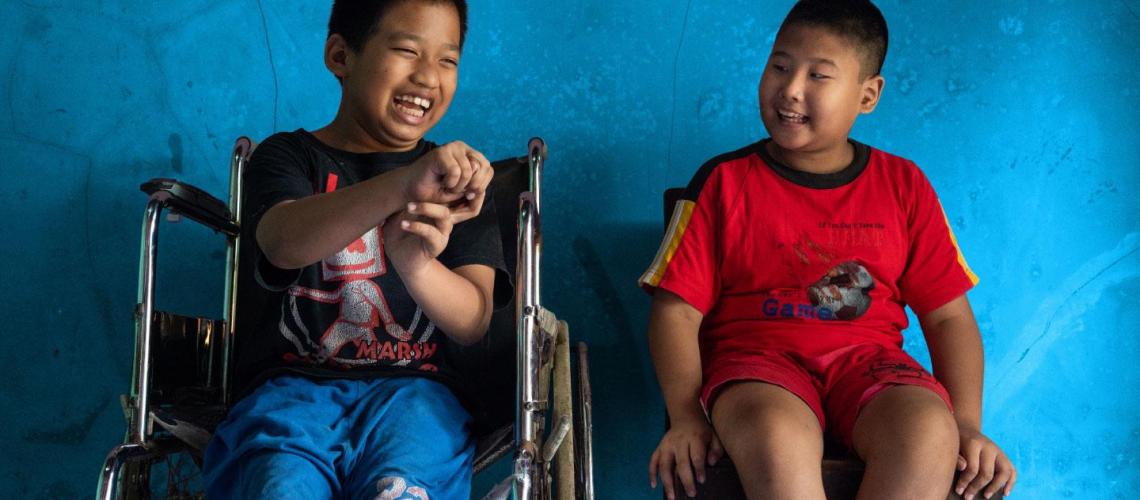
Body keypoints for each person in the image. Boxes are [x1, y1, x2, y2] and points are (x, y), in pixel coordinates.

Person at [640, 1, 1016, 499]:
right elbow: (676, 314)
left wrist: (967, 423)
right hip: (758, 369)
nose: (791, 88)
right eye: (779, 66)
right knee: (777, 436)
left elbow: (949, 318)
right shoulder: (722, 182)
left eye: (818, 75)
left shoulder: (905, 185)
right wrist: (685, 415)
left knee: (929, 432)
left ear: (867, 95)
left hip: (871, 368)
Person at [202, 1, 508, 498]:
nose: (429, 77)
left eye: (447, 60)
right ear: (341, 55)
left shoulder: (462, 181)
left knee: (403, 490)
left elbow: (473, 321)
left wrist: (415, 264)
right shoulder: (287, 157)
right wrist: (403, 185)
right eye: (408, 50)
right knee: (280, 485)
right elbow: (282, 243)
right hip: (290, 391)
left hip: (418, 397)